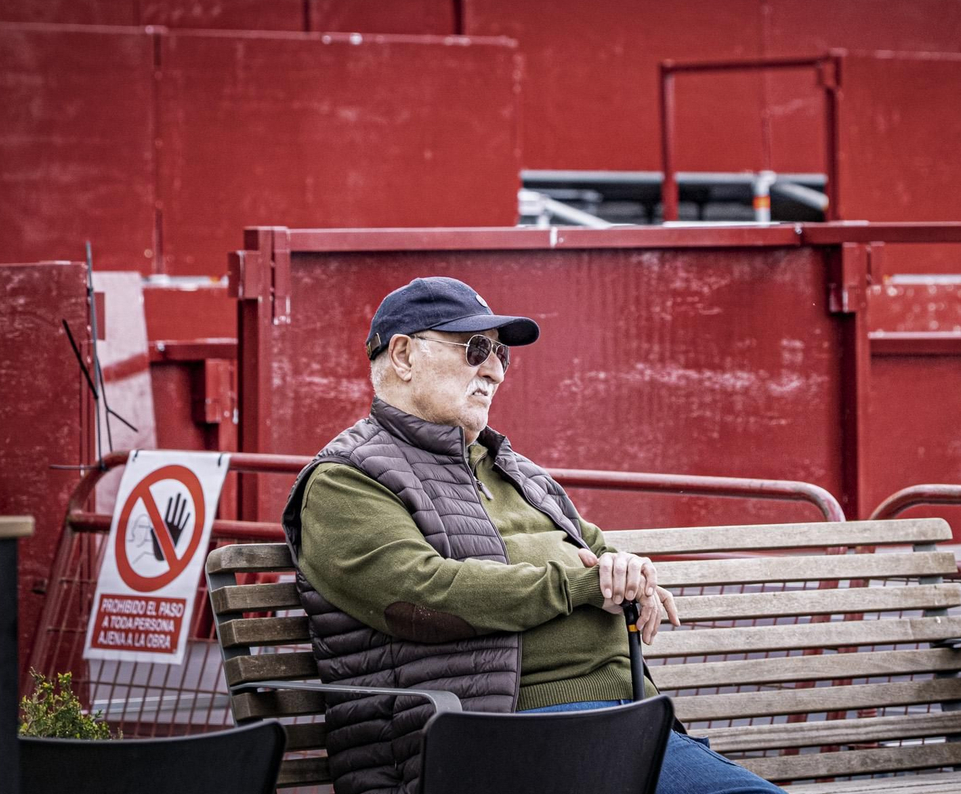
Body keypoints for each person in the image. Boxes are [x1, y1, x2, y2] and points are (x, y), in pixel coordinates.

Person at [281, 277, 783, 794]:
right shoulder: (346, 478)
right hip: (500, 739)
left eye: (501, 354)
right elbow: (421, 595)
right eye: (476, 348)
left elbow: (597, 549)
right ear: (405, 356)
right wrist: (577, 585)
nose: (495, 369)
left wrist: (632, 575)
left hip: (619, 720)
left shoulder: (514, 469)